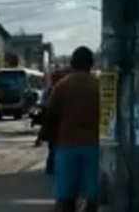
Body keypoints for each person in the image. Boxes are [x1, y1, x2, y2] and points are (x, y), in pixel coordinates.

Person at [45, 46, 99, 212]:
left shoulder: (61, 86)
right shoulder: (99, 85)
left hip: (66, 146)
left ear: (72, 63)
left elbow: (51, 117)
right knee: (93, 197)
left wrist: (50, 143)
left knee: (65, 197)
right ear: (91, 64)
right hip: (93, 147)